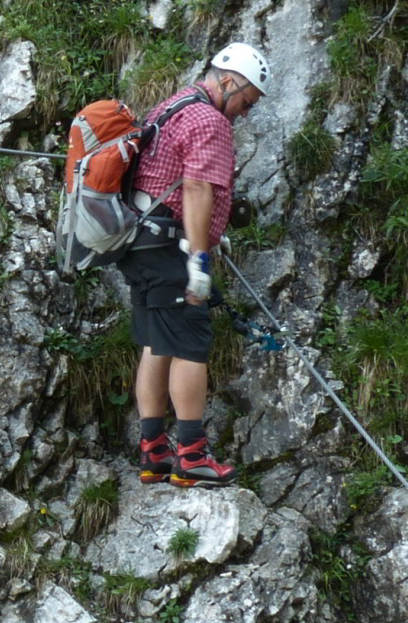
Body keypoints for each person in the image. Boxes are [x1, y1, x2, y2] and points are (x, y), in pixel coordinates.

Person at [119, 42, 271, 488]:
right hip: (171, 249)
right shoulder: (208, 119)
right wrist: (200, 257)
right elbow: (198, 189)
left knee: (156, 343)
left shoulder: (172, 105)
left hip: (140, 244)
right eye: (246, 101)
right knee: (190, 342)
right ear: (228, 81)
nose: (244, 112)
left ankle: (154, 451)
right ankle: (191, 455)